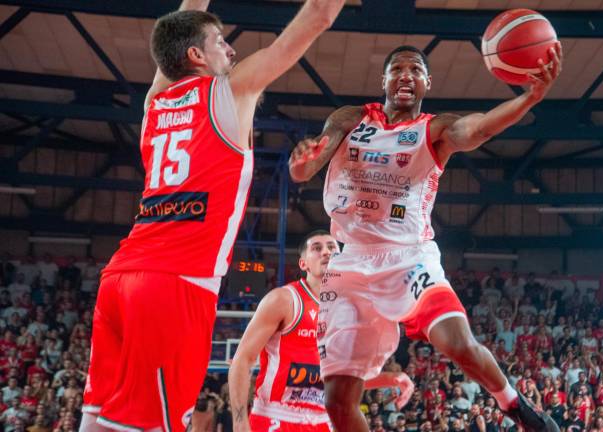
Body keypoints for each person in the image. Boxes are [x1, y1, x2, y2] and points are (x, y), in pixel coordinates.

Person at [80, 0, 345, 430]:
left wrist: (192, 20)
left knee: (97, 420)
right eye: (221, 42)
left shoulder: (156, 102)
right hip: (173, 286)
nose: (232, 51)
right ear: (196, 56)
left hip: (119, 282)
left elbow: (176, 33)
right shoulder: (232, 91)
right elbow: (318, 16)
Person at [289, 42, 562, 431]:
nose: (405, 75)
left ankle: (514, 404)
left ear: (426, 83)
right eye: (397, 68)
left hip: (407, 256)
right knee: (337, 400)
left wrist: (528, 98)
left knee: (457, 342)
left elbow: (479, 128)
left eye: (415, 70)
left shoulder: (434, 129)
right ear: (383, 79)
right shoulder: (350, 119)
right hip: (349, 263)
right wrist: (301, 165)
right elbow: (308, 166)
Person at [228, 231, 414, 432]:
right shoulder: (284, 300)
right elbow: (241, 361)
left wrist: (391, 379)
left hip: (322, 421)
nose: (326, 252)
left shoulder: (350, 312)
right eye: (317, 248)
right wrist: (240, 424)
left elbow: (339, 380)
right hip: (276, 417)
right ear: (303, 264)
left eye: (332, 247)